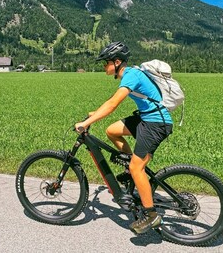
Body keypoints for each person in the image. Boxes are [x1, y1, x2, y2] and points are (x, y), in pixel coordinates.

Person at [74, 41, 173, 235]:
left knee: (138, 167)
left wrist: (86, 123)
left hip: (155, 123)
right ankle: (130, 168)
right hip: (146, 118)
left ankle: (151, 216)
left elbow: (113, 104)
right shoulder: (129, 74)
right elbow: (110, 102)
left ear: (117, 62)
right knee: (112, 130)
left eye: (106, 63)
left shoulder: (131, 75)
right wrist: (95, 113)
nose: (104, 66)